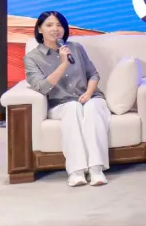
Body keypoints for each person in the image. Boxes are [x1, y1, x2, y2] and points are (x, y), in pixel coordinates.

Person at [23, 11, 111, 187]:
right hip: (60, 104)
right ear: (39, 29)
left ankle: (96, 170)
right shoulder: (32, 58)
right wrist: (63, 64)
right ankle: (76, 172)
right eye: (49, 25)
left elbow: (93, 74)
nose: (55, 29)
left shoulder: (76, 48)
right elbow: (42, 87)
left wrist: (88, 93)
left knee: (92, 108)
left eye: (59, 25)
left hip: (90, 97)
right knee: (72, 108)